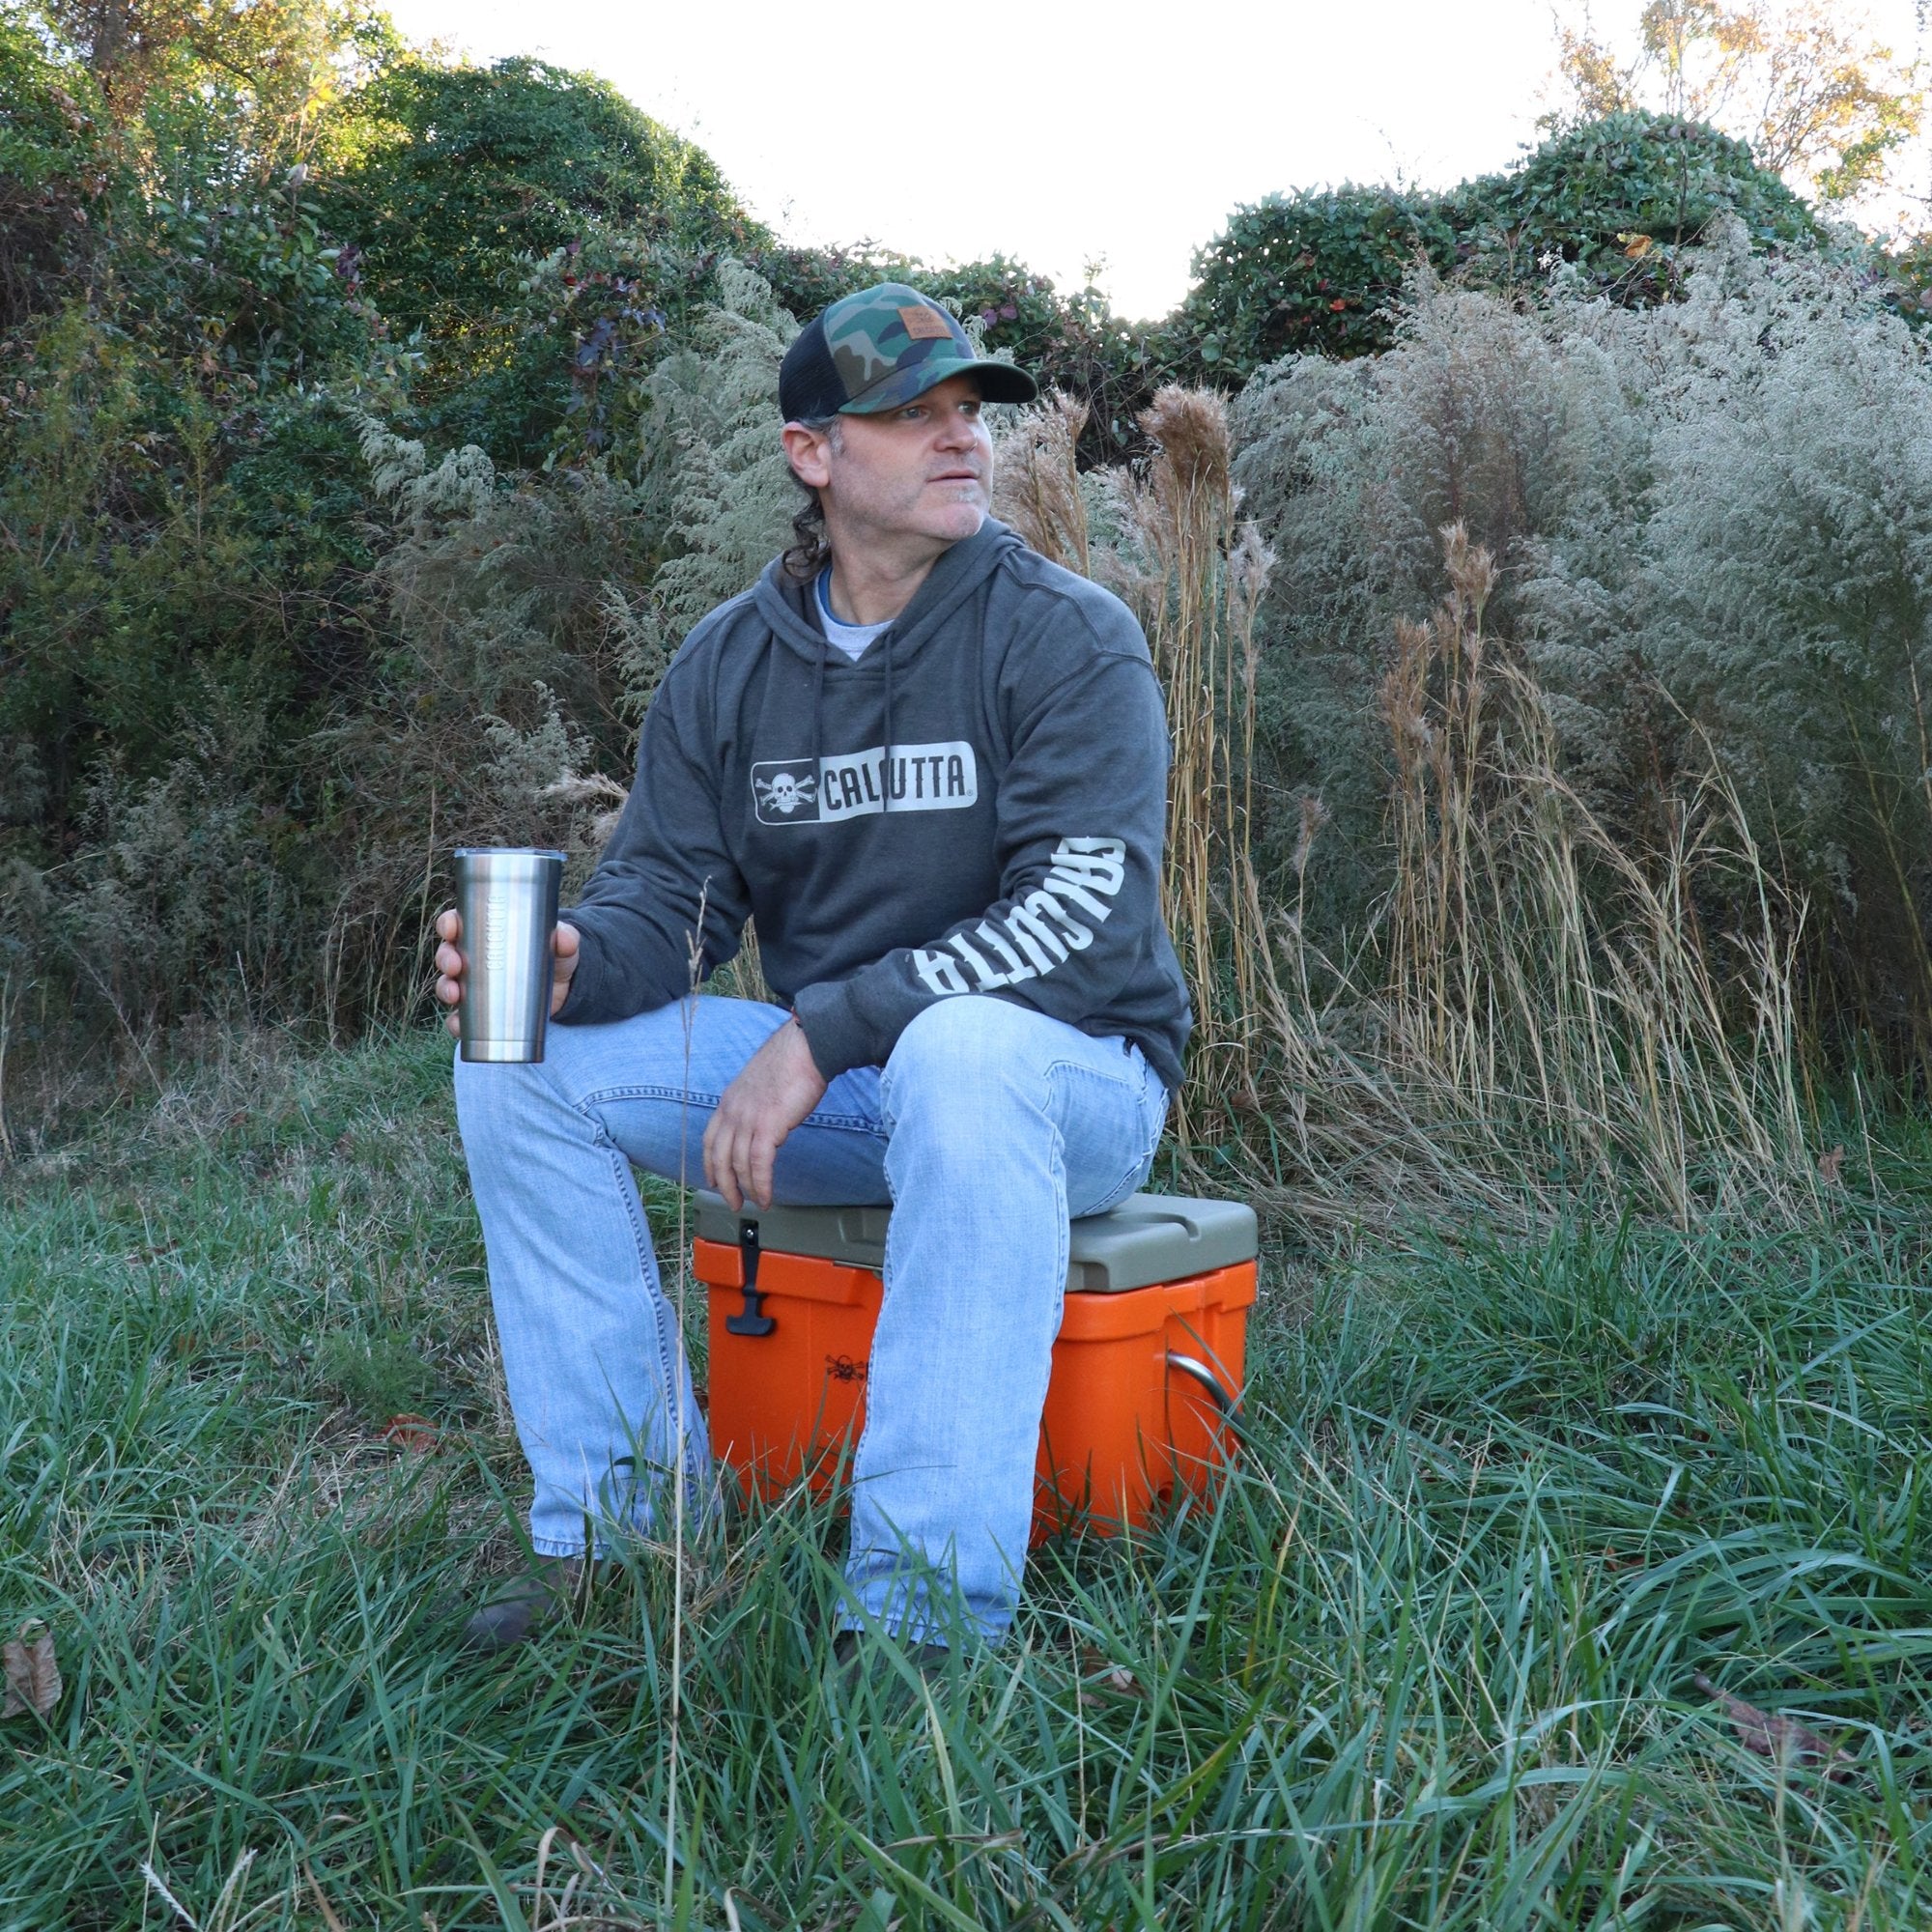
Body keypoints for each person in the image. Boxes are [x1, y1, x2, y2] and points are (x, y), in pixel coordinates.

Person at [435, 282, 1190, 1663]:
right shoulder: (732, 664)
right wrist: (568, 965)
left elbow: (1078, 913)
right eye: (912, 415)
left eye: (969, 410)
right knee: (520, 1068)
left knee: (961, 1051)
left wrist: (822, 1030)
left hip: (1067, 1080)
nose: (963, 439)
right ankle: (624, 1540)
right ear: (813, 454)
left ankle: (919, 1624)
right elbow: (671, 901)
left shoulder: (1065, 635)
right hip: (858, 1088)